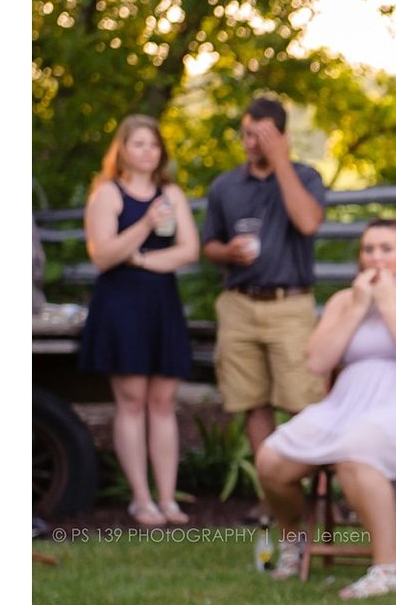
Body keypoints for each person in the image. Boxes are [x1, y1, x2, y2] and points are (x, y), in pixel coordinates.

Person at [251, 215, 396, 600]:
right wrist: (360, 307)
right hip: (345, 405)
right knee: (271, 459)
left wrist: (390, 306)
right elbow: (318, 361)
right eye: (368, 249)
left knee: (355, 448)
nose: (376, 258)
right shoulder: (345, 300)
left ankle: (388, 569)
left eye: (386, 249)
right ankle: (293, 543)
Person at [79, 116, 200, 528]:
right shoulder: (108, 194)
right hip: (121, 305)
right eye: (139, 144)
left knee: (163, 401)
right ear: (123, 149)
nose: (148, 151)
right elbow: (103, 254)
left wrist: (145, 259)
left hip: (161, 304)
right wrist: (145, 225)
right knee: (131, 401)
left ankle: (168, 498)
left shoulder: (172, 194)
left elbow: (188, 251)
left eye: (154, 144)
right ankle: (140, 499)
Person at [202, 97, 328, 484]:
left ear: (282, 136)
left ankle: (313, 492)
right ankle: (272, 493)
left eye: (262, 136)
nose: (251, 144)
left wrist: (281, 162)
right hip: (238, 305)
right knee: (252, 403)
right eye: (247, 134)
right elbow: (209, 245)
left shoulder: (304, 177)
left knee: (302, 403)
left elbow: (307, 222)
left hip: (288, 305)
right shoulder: (225, 186)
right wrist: (226, 252)